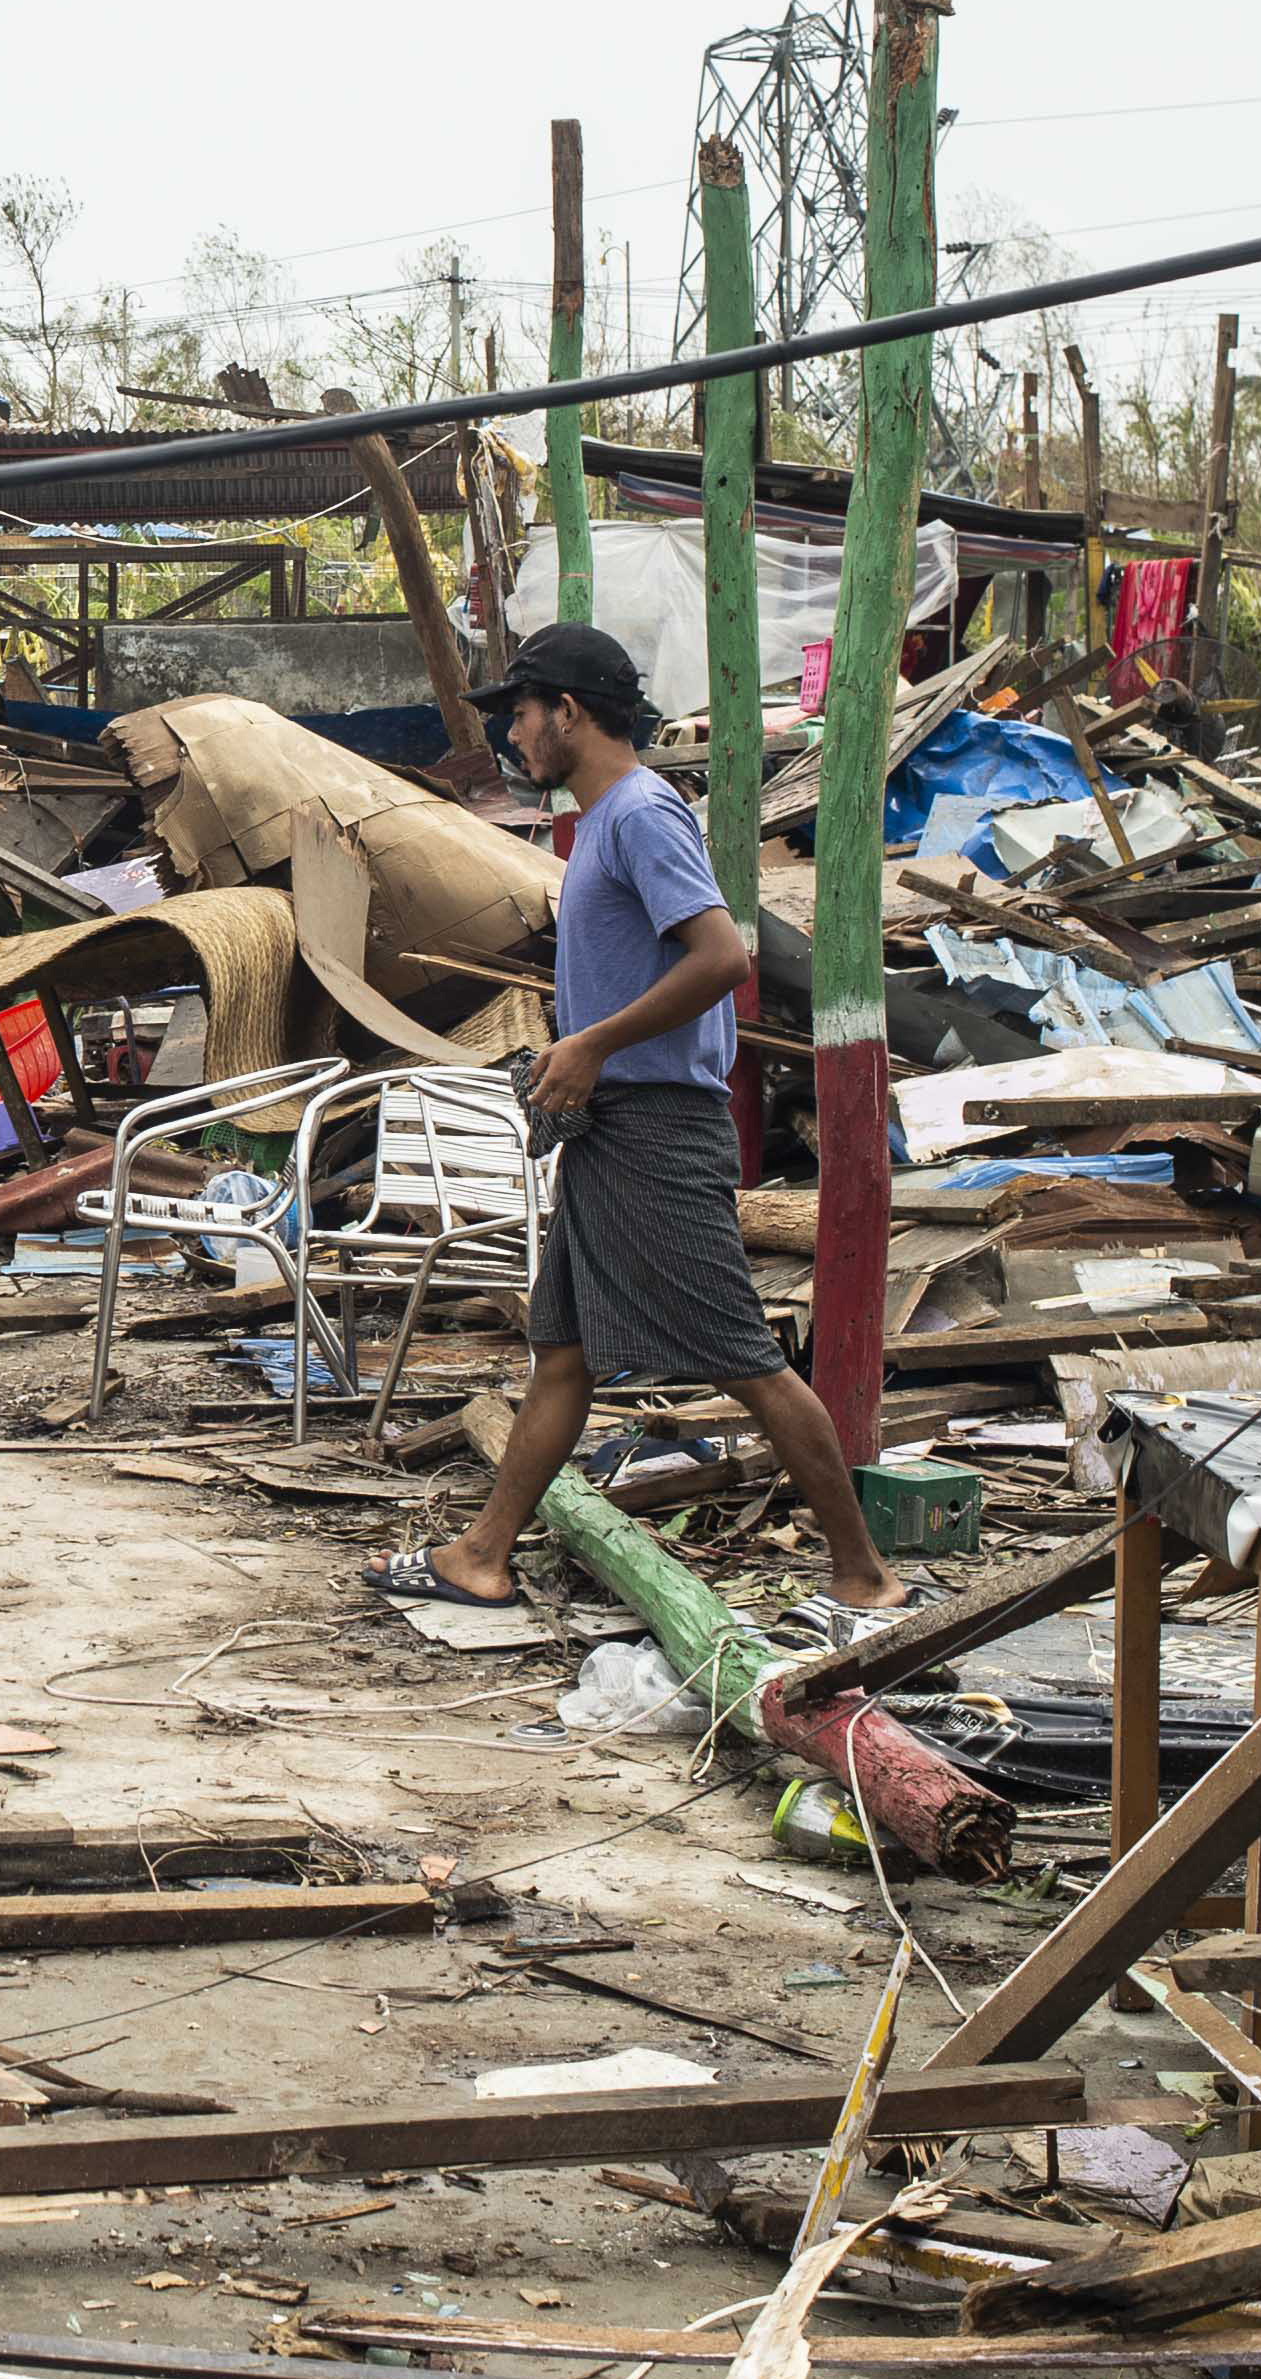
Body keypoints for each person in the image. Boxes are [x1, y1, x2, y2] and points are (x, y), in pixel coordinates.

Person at [377, 621, 913, 1628]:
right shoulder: (601, 824)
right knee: (564, 1355)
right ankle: (482, 1556)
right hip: (610, 1127)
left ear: (568, 712)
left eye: (523, 714)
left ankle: (862, 1574)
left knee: (742, 1356)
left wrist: (589, 1046)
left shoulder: (638, 815)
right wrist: (575, 1053)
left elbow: (719, 958)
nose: (514, 736)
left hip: (655, 1130)